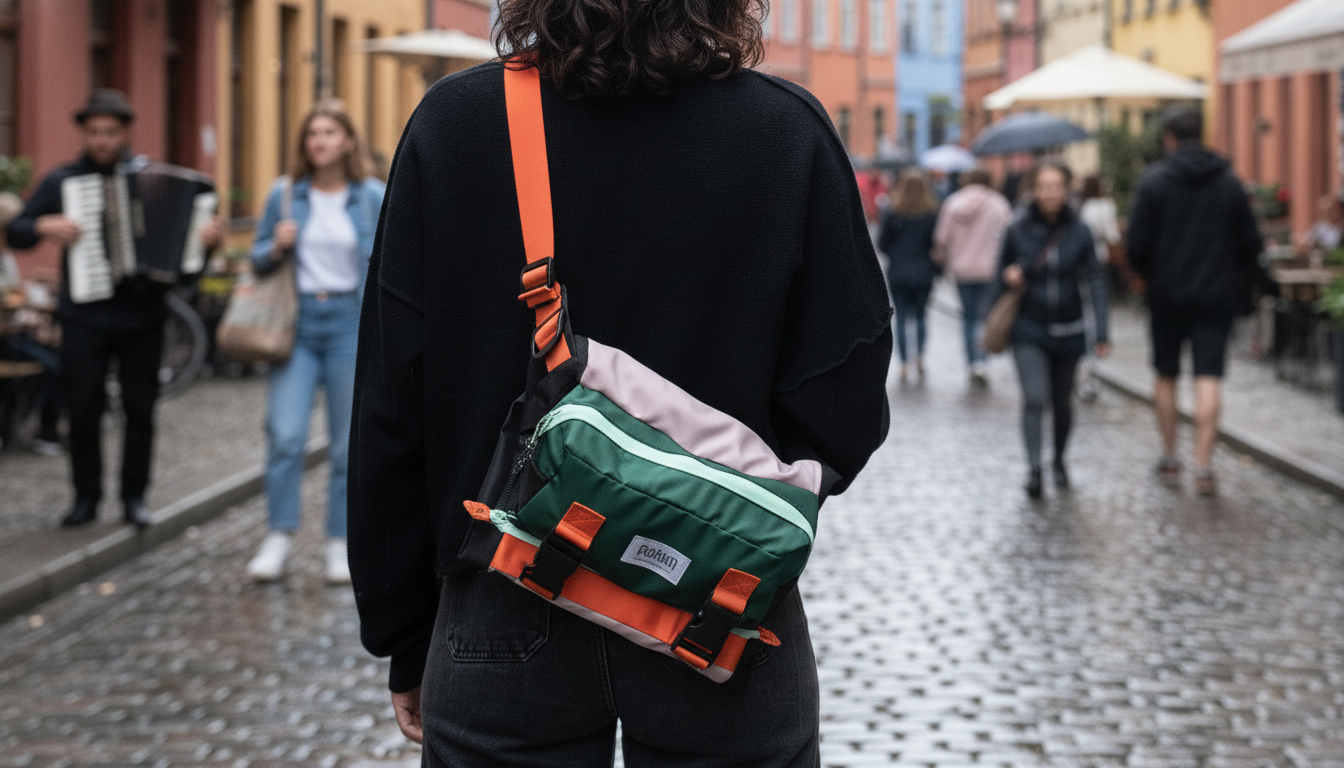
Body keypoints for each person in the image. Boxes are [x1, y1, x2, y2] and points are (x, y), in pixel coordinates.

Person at [347, 0, 894, 763]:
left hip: (501, 585)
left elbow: (390, 402)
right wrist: (730, 498)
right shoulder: (785, 131)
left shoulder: (456, 124)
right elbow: (848, 396)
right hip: (722, 596)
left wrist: (403, 630)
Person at [6, 89, 223, 528]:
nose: (102, 140)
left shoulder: (151, 178)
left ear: (125, 132)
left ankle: (134, 497)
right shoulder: (62, 181)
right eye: (94, 132)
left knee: (140, 410)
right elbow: (16, 232)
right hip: (84, 317)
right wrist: (44, 224)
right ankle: (85, 497)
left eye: (110, 132)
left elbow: (187, 262)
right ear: (84, 134)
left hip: (143, 316)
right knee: (83, 408)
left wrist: (206, 243)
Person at [244, 100, 385, 585]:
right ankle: (278, 536)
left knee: (346, 445)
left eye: (328, 132)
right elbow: (255, 259)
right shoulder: (284, 195)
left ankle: (338, 542)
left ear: (348, 141)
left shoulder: (371, 196)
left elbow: (390, 264)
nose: (319, 141)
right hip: (297, 326)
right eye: (312, 133)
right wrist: (275, 245)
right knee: (286, 436)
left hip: (350, 324)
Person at [1126, 105, 1263, 496]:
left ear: (1169, 138)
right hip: (1216, 295)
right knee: (1209, 376)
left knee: (1166, 375)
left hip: (1166, 295)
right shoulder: (1228, 182)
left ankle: (1171, 456)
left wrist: (1151, 273)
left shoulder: (1153, 182)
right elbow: (1251, 242)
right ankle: (1203, 464)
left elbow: (1136, 244)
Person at [1000, 161, 1109, 498]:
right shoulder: (1018, 228)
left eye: (1056, 187)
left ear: (1066, 190)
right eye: (1043, 187)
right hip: (1028, 328)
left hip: (1069, 329)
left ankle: (1059, 460)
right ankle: (1035, 469)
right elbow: (999, 271)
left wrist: (1101, 331)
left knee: (1062, 403)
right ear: (1034, 190)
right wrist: (1009, 276)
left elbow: (1095, 280)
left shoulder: (1080, 231)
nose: (1049, 193)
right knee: (1035, 398)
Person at [934, 166, 1013, 385]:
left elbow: (941, 238)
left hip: (961, 270)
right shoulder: (998, 204)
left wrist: (943, 259)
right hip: (990, 269)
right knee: (983, 316)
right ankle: (981, 361)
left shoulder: (952, 203)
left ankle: (971, 362)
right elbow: (1010, 236)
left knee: (968, 317)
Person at [879, 169, 940, 382]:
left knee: (902, 317)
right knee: (921, 316)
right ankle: (920, 356)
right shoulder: (931, 214)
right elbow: (936, 243)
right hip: (924, 272)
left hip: (899, 272)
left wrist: (898, 254)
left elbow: (882, 244)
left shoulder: (893, 212)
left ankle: (904, 362)